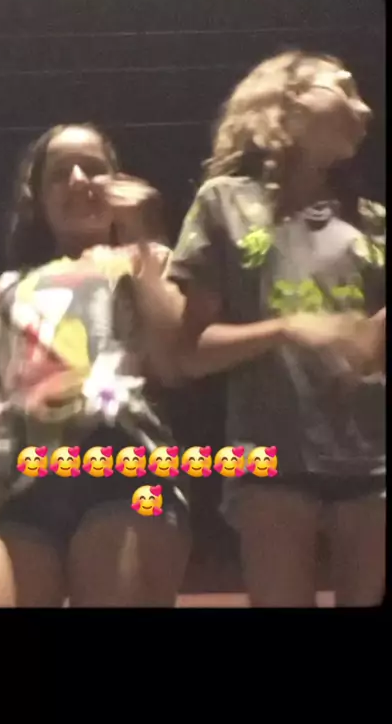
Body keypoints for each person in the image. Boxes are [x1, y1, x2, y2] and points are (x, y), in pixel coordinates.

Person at [0, 123, 190, 607]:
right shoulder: (7, 289)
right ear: (39, 200)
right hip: (19, 490)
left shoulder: (150, 259)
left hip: (126, 474)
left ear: (120, 183)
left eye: (94, 168)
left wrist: (142, 235)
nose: (79, 179)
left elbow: (174, 359)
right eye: (60, 173)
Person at [165, 51, 385, 606]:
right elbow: (190, 353)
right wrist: (287, 328)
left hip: (373, 460)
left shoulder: (373, 221)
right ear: (288, 102)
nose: (365, 109)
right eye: (344, 89)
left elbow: (369, 344)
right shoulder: (224, 202)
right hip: (269, 461)